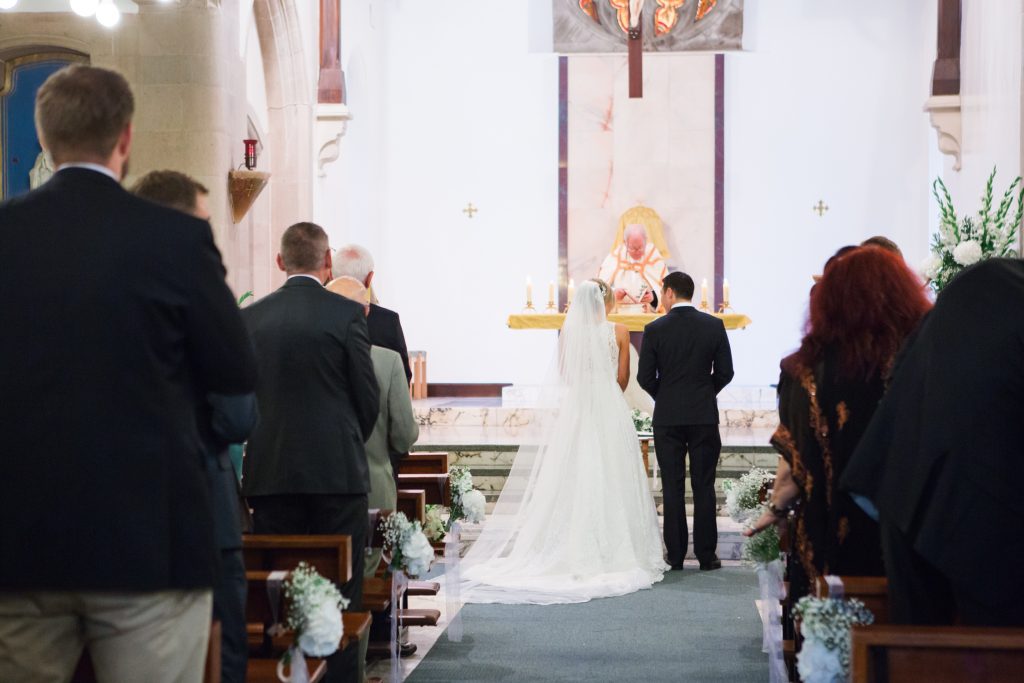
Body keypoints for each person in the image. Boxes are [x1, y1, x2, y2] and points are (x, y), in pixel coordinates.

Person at [0, 65, 256, 683]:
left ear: (44, 137)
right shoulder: (174, 238)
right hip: (151, 543)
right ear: (125, 140)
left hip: (17, 540)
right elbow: (234, 369)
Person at [841, 258, 1024, 627]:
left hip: (907, 489)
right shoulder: (1000, 289)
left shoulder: (979, 284)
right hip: (985, 513)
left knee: (922, 640)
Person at [460, 280, 666, 604]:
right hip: (609, 405)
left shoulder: (569, 334)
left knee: (573, 467)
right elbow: (625, 380)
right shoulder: (620, 331)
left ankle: (565, 544)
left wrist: (586, 384)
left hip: (579, 405)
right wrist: (606, 388)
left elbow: (566, 376)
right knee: (613, 467)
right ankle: (619, 547)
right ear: (607, 301)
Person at [746, 247, 931, 604]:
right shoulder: (926, 358)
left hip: (832, 533)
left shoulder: (806, 370)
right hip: (910, 535)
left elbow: (794, 463)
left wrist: (777, 509)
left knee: (831, 639)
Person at [132, 169, 258, 683]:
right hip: (204, 507)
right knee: (220, 652)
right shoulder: (201, 292)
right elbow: (237, 416)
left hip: (119, 524)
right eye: (204, 222)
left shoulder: (102, 289)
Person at [242, 222, 378, 681]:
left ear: (279, 261)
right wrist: (340, 443)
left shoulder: (251, 318)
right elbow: (367, 400)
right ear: (327, 262)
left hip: (271, 478)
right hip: (337, 479)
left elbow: (241, 399)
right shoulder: (344, 315)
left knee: (277, 592)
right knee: (340, 594)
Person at [638, 271, 734, 571]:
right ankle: (707, 556)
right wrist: (706, 392)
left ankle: (676, 556)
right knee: (704, 485)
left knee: (672, 485)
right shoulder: (714, 325)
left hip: (668, 417)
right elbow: (726, 372)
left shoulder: (655, 329)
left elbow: (644, 377)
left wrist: (665, 395)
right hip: (704, 415)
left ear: (668, 293)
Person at [327, 276, 419, 576]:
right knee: (368, 574)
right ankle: (375, 624)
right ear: (366, 312)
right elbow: (404, 434)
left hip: (319, 487)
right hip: (373, 485)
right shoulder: (387, 361)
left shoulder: (306, 360)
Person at [333, 243, 412, 485]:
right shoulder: (387, 322)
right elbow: (403, 378)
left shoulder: (312, 319)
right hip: (379, 454)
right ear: (370, 278)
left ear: (330, 275)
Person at [597, 223, 667, 310]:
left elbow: (666, 288)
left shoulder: (654, 257)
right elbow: (601, 287)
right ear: (625, 243)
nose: (637, 251)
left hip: (648, 314)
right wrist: (613, 294)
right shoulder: (615, 257)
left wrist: (654, 297)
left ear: (646, 241)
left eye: (640, 247)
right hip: (620, 313)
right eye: (633, 248)